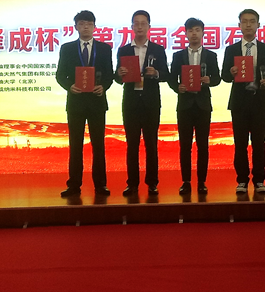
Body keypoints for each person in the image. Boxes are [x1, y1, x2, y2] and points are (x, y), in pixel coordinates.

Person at [56, 10, 114, 198]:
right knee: (75, 146)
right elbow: (60, 75)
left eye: (89, 24)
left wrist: (103, 86)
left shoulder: (104, 49)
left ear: (95, 27)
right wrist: (69, 86)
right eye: (82, 24)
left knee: (99, 145)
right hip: (76, 103)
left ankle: (100, 185)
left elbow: (109, 74)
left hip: (97, 102)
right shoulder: (67, 49)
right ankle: (74, 185)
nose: (86, 27)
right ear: (76, 27)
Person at [221, 9, 265, 194]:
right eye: (244, 22)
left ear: (258, 25)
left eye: (252, 21)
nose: (248, 25)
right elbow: (224, 76)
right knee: (240, 143)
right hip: (239, 102)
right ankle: (242, 180)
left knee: (259, 143)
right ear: (239, 26)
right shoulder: (231, 49)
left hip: (260, 101)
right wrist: (231, 72)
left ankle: (259, 180)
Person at [115, 10, 169, 196]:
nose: (139, 27)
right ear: (131, 27)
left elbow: (166, 75)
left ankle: (152, 182)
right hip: (130, 102)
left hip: (150, 102)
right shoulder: (123, 50)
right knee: (132, 145)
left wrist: (157, 73)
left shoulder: (158, 49)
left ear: (149, 27)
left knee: (151, 144)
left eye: (143, 23)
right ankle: (132, 183)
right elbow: (117, 77)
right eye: (136, 23)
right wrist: (119, 74)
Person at [169, 18, 221, 195]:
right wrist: (178, 87)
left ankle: (201, 182)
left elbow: (217, 78)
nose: (194, 34)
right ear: (185, 33)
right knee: (185, 145)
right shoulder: (178, 56)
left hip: (203, 105)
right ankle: (186, 181)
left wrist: (209, 80)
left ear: (203, 33)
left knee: (203, 145)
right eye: (190, 30)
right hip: (184, 105)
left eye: (197, 30)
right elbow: (171, 78)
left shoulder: (211, 56)